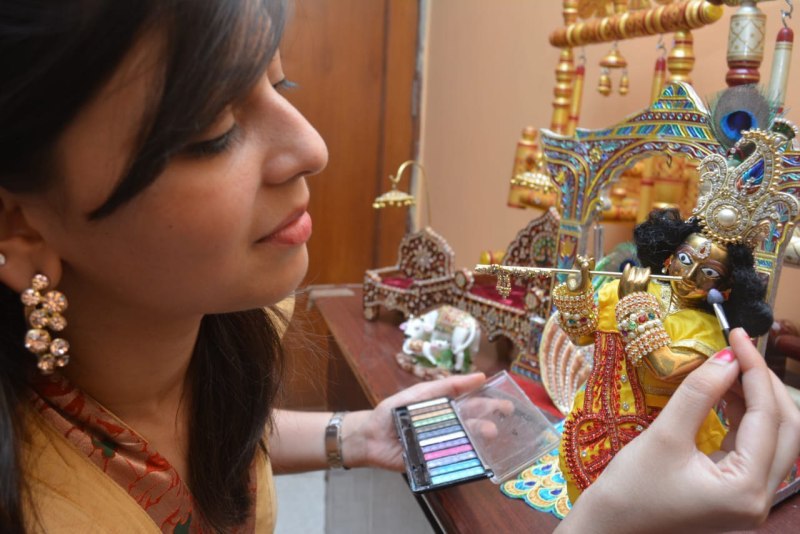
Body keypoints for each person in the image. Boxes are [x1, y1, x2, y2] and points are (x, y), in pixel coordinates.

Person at [0, 1, 797, 533]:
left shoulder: (212, 327)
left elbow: (195, 434)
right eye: (211, 128)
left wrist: (358, 432)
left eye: (283, 84)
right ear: (18, 223)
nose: (311, 146)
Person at [554, 208, 773, 503]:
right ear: (669, 258)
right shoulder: (633, 286)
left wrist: (633, 302)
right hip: (592, 421)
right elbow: (582, 336)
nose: (690, 275)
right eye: (685, 260)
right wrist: (577, 292)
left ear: (726, 288)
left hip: (662, 437)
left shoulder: (709, 328)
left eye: (709, 273)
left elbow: (664, 366)